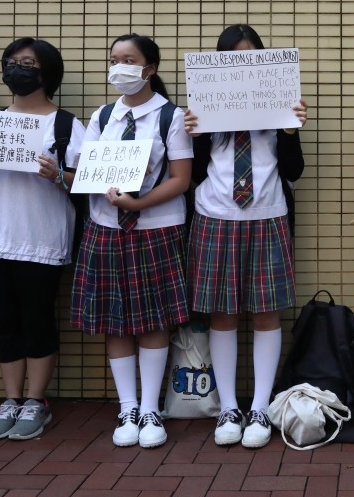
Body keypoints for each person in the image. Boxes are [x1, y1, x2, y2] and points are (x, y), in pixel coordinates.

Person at [0, 38, 85, 440]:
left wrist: (56, 174)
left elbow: (87, 185)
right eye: (12, 62)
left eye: (29, 63)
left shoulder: (65, 125)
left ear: (47, 73)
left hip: (41, 237)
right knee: (4, 321)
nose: (18, 69)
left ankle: (36, 401)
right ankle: (11, 398)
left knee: (38, 319)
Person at [184, 24, 308, 449]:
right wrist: (195, 134)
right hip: (215, 214)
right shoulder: (206, 109)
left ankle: (259, 406)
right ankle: (228, 407)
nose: (244, 66)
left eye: (252, 56)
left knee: (266, 312)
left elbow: (293, 171)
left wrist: (291, 130)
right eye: (235, 57)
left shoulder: (277, 107)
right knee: (221, 313)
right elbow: (194, 174)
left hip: (267, 213)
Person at [70, 34, 193, 449]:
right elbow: (88, 169)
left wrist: (137, 201)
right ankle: (127, 407)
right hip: (105, 227)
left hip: (156, 228)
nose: (120, 67)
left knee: (154, 318)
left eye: (130, 60)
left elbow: (181, 178)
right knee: (114, 319)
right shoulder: (102, 116)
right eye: (114, 59)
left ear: (150, 69)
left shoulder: (170, 117)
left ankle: (150, 408)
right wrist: (83, 182)